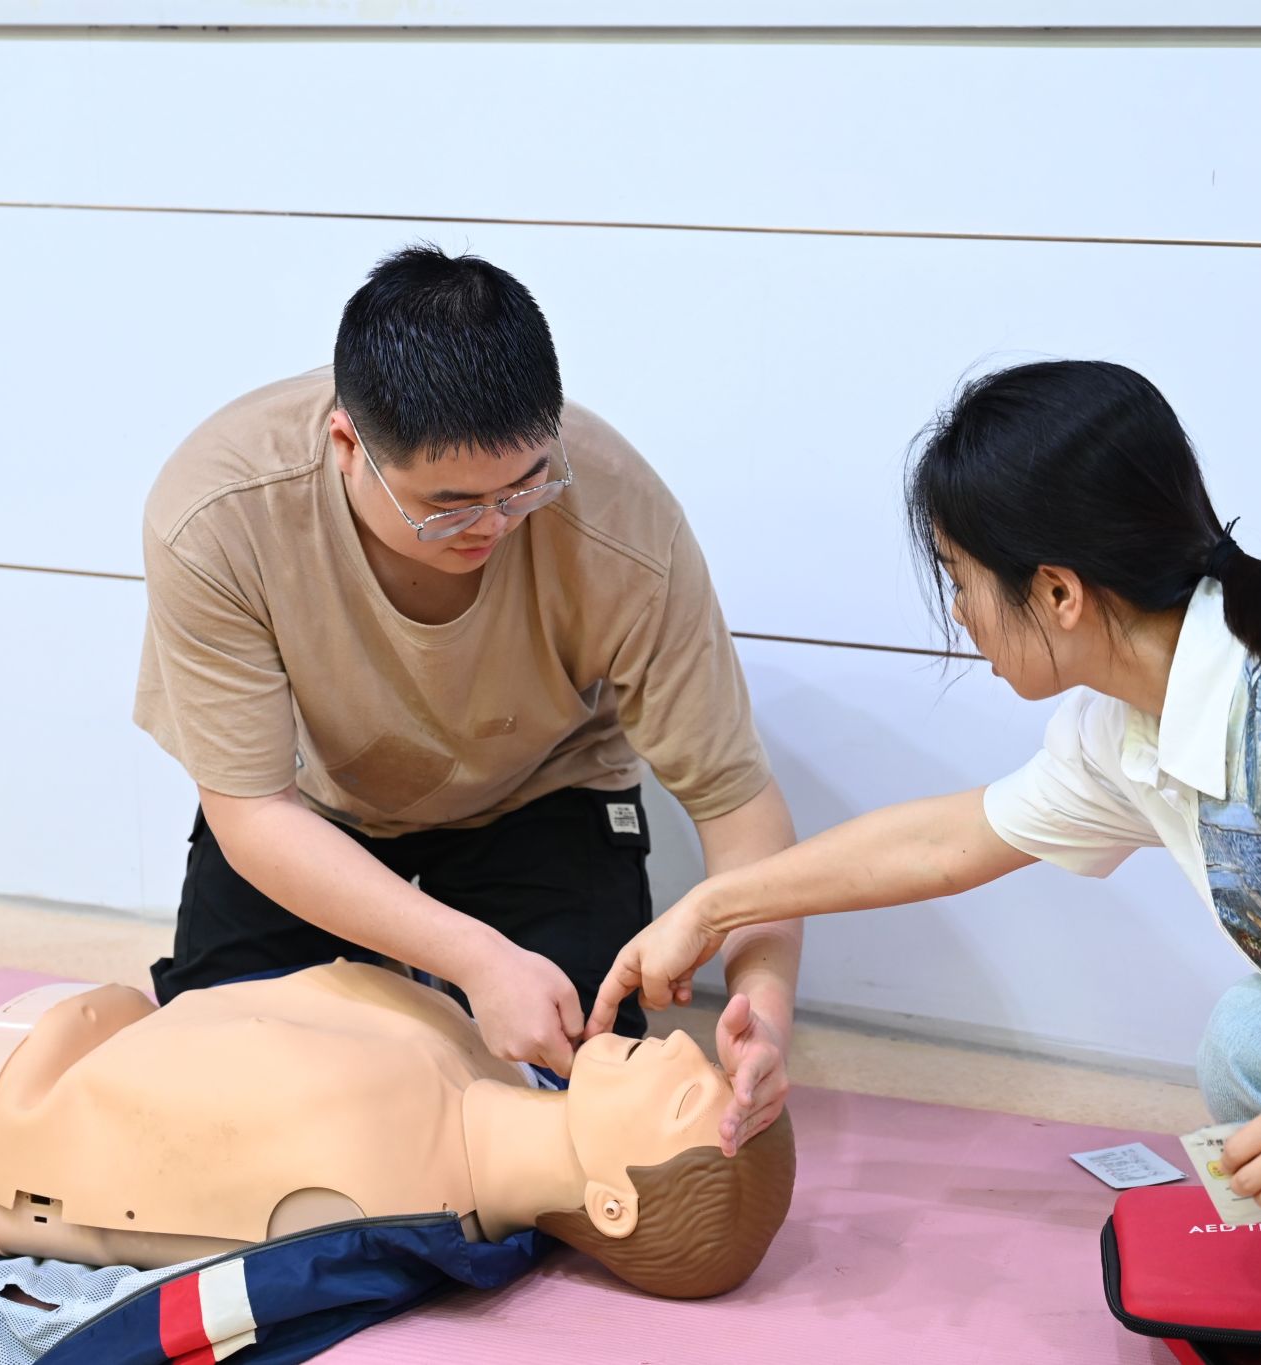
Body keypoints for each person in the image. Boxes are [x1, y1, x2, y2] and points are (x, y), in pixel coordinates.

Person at [586, 360, 1261, 1361]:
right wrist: (713, 907)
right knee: (1256, 1043)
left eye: (960, 579)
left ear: (1057, 592)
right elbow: (950, 841)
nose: (958, 614)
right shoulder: (1139, 727)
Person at [134, 245, 799, 1153]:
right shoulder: (220, 512)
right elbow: (252, 811)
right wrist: (475, 957)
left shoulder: (624, 520)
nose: (492, 524)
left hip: (540, 788)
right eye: (448, 506)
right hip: (314, 810)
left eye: (525, 485)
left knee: (575, 1087)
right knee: (214, 1086)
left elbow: (735, 801)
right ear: (346, 446)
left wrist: (766, 1010)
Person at [0, 961, 795, 1300]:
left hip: (0, 1105)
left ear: (610, 1205)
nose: (684, 1045)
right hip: (78, 1035)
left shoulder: (379, 1190)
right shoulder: (487, 1062)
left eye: (685, 1096)